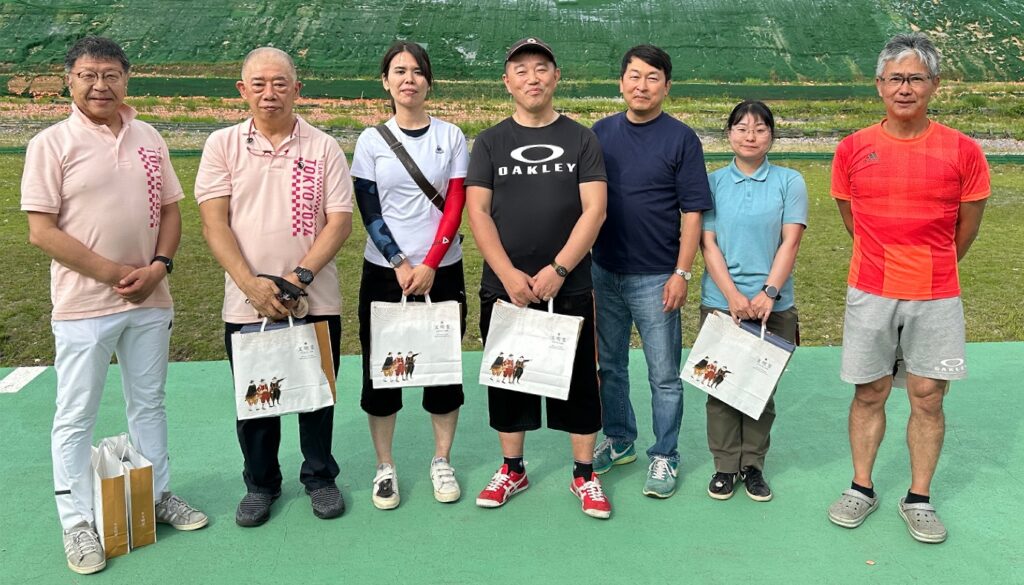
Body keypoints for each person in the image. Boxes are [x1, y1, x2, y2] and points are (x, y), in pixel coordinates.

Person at [21, 36, 207, 576]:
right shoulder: (50, 144)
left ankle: (156, 494)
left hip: (150, 298)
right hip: (83, 305)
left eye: (110, 75)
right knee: (76, 414)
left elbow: (170, 212)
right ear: (69, 81)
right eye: (88, 75)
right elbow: (41, 231)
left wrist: (160, 266)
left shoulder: (149, 136)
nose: (100, 85)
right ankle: (77, 520)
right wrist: (114, 274)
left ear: (127, 79)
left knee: (148, 404)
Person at [827, 33, 989, 544]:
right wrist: (886, 256)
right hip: (871, 289)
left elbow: (967, 227)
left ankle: (918, 498)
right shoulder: (852, 149)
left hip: (936, 292)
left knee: (928, 397)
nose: (904, 88)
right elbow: (852, 219)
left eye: (915, 78)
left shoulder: (963, 150)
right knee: (869, 391)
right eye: (895, 78)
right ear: (879, 85)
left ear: (934, 85)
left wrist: (930, 263)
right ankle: (861, 487)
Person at [195, 47, 353, 526]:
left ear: (296, 89)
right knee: (256, 399)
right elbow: (214, 224)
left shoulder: (323, 146)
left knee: (316, 394)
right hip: (247, 302)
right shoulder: (221, 145)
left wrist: (297, 278)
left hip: (314, 297)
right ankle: (261, 484)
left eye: (280, 83)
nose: (270, 93)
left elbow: (339, 222)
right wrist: (252, 285)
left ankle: (320, 477)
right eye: (259, 84)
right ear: (242, 90)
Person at [466, 37, 611, 519]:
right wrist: (507, 273)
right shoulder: (489, 142)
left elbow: (594, 210)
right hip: (506, 287)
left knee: (580, 381)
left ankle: (584, 474)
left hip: (570, 284)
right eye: (522, 70)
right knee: (509, 377)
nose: (533, 78)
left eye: (542, 68)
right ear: (507, 82)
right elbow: (478, 212)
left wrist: (559, 268)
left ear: (556, 77)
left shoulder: (581, 139)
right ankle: (513, 468)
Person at [589, 44, 712, 499]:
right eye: (634, 76)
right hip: (604, 271)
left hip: (657, 277)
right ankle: (620, 439)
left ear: (667, 86)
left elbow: (693, 212)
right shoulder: (600, 133)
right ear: (621, 82)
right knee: (610, 366)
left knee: (663, 374)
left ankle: (665, 453)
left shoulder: (681, 139)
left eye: (652, 78)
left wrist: (681, 272)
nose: (642, 86)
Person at [351, 41, 469, 510]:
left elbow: (455, 202)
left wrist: (431, 262)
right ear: (386, 81)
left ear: (429, 82)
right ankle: (385, 466)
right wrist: (400, 261)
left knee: (442, 368)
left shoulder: (451, 135)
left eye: (418, 71)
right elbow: (369, 208)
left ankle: (442, 460)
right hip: (385, 273)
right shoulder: (370, 141)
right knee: (384, 371)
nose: (409, 79)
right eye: (399, 71)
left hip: (443, 270)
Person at [699, 100, 808, 503]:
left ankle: (753, 466)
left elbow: (790, 241)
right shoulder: (711, 182)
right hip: (721, 302)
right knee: (720, 387)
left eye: (760, 129)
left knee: (760, 389)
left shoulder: (789, 181)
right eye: (742, 128)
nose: (750, 136)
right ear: (729, 134)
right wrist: (731, 296)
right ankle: (725, 466)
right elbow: (707, 243)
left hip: (773, 306)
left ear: (772, 136)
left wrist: (769, 293)